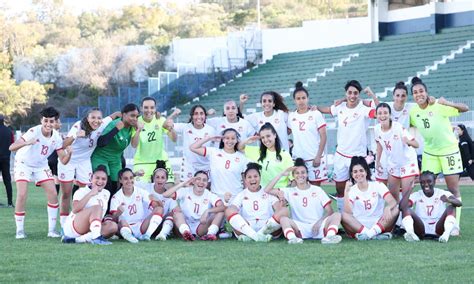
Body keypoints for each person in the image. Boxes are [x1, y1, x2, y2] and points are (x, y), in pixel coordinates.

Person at [409, 76, 469, 233]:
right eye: (415, 92)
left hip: (449, 151)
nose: (418, 94)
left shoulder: (437, 106)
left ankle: (454, 225)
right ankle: (423, 223)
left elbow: (465, 108)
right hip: (430, 153)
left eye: (421, 91)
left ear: (426, 92)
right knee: (425, 187)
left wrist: (446, 102)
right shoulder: (413, 112)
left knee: (452, 189)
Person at [10, 107, 72, 239]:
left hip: (41, 166)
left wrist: (70, 153)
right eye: (45, 121)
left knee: (53, 193)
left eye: (51, 121)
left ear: (55, 122)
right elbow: (12, 147)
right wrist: (27, 142)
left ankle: (51, 230)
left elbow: (63, 160)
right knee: (22, 194)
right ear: (41, 120)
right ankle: (19, 231)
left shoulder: (56, 136)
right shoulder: (33, 131)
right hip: (23, 164)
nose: (48, 124)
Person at [318, 80, 376, 212]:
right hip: (341, 155)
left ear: (359, 94)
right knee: (340, 187)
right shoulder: (340, 107)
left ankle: (361, 214)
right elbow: (327, 110)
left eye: (355, 93)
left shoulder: (363, 109)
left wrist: (371, 96)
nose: (352, 95)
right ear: (346, 93)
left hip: (357, 157)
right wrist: (314, 107)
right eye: (349, 93)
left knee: (360, 187)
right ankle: (342, 214)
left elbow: (378, 111)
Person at [58, 108, 120, 229]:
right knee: (66, 193)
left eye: (98, 118)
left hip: (84, 161)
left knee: (86, 191)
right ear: (87, 118)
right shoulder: (79, 126)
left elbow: (116, 114)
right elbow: (63, 145)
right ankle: (64, 224)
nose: (96, 121)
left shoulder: (102, 124)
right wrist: (76, 136)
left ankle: (82, 221)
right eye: (93, 118)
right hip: (69, 159)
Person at [265, 159, 343, 244]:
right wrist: (281, 174)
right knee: (283, 219)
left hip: (318, 226)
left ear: (307, 174)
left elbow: (330, 211)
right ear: (293, 176)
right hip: (300, 227)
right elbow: (267, 190)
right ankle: (293, 239)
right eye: (297, 173)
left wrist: (319, 222)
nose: (300, 175)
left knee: (337, 214)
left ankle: (329, 237)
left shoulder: (317, 190)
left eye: (303, 172)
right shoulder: (289, 191)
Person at [341, 156, 399, 241]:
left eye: (361, 171)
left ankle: (369, 234)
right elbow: (348, 212)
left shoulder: (377, 185)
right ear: (352, 174)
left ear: (366, 172)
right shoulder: (351, 189)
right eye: (355, 172)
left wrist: (388, 207)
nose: (358, 174)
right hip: (359, 225)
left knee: (396, 209)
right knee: (342, 215)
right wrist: (346, 192)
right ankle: (372, 235)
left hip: (379, 223)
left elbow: (392, 201)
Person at [91, 103, 141, 198]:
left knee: (117, 187)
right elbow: (101, 142)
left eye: (137, 116)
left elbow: (134, 145)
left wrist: (138, 130)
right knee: (106, 186)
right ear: (124, 115)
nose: (135, 119)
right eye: (132, 115)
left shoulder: (132, 127)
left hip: (115, 160)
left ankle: (113, 211)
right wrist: (116, 129)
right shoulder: (114, 124)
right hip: (101, 158)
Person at [225, 163, 284, 242]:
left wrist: (281, 201)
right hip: (247, 227)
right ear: (245, 180)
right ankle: (255, 236)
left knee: (283, 211)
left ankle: (257, 235)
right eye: (249, 177)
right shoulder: (242, 194)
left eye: (255, 176)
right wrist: (228, 203)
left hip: (267, 227)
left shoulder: (267, 192)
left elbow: (279, 210)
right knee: (229, 210)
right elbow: (232, 209)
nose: (253, 179)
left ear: (260, 178)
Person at [61, 166, 118, 245]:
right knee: (97, 207)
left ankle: (77, 240)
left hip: (92, 228)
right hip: (74, 227)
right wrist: (90, 194)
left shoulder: (106, 193)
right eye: (97, 178)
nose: (100, 181)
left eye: (103, 179)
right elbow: (75, 209)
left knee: (113, 226)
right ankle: (96, 237)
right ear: (91, 178)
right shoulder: (81, 191)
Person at [400, 171, 462, 243]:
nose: (426, 184)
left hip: (438, 228)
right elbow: (402, 207)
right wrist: (410, 188)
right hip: (421, 228)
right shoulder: (417, 194)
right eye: (423, 182)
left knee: (451, 207)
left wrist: (449, 200)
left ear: (434, 182)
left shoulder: (441, 192)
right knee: (406, 209)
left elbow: (459, 203)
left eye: (429, 181)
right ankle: (411, 233)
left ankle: (446, 234)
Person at [374, 103, 419, 202]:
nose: (382, 115)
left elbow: (416, 144)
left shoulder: (398, 127)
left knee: (405, 198)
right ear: (376, 115)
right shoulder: (376, 129)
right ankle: (398, 218)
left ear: (390, 115)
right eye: (380, 113)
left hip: (407, 163)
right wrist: (377, 161)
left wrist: (408, 141)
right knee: (394, 198)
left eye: (385, 113)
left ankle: (407, 217)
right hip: (393, 164)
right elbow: (379, 144)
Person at [163, 171, 225, 241]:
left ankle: (210, 234)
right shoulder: (185, 191)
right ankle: (186, 233)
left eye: (204, 180)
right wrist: (183, 184)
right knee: (176, 212)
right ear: (193, 181)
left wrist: (207, 211)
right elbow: (165, 195)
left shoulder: (209, 194)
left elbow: (222, 207)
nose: (201, 182)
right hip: (184, 224)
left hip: (201, 226)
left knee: (220, 212)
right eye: (198, 179)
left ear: (207, 183)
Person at [190, 128, 248, 203]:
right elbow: (193, 147)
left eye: (233, 138)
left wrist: (245, 197)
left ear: (237, 140)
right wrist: (209, 138)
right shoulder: (213, 152)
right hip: (216, 197)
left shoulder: (242, 157)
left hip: (236, 197)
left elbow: (245, 180)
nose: (230, 141)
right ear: (222, 139)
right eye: (227, 138)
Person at [288, 81, 328, 185]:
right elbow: (286, 132)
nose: (301, 101)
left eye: (303, 98)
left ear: (308, 98)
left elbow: (323, 136)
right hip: (298, 158)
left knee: (315, 190)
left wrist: (318, 156)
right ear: (294, 100)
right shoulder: (291, 116)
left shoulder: (316, 114)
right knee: (298, 189)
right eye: (298, 98)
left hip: (314, 158)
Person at [110, 168, 164, 243]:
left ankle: (147, 235)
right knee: (122, 220)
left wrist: (157, 200)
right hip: (126, 226)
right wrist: (118, 213)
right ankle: (129, 237)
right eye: (125, 179)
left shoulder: (141, 191)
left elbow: (158, 207)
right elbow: (113, 219)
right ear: (120, 180)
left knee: (159, 209)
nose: (129, 181)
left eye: (131, 178)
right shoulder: (116, 197)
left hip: (141, 225)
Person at [133, 97, 178, 188]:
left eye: (152, 107)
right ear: (141, 108)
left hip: (161, 161)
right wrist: (138, 130)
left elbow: (174, 139)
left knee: (168, 188)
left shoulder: (160, 120)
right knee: (140, 191)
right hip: (142, 163)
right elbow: (134, 145)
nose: (149, 110)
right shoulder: (136, 122)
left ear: (155, 108)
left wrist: (171, 128)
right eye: (146, 107)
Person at [239, 123, 293, 188]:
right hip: (263, 194)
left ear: (275, 135)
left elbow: (293, 179)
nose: (266, 140)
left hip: (279, 193)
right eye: (262, 137)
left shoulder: (285, 155)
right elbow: (239, 148)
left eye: (268, 136)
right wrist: (248, 140)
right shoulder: (258, 152)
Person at [173, 105, 216, 180]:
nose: (199, 116)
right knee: (186, 189)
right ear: (192, 116)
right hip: (189, 166)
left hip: (206, 166)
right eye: (196, 114)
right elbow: (166, 124)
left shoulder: (211, 130)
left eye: (201, 113)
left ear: (205, 116)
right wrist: (173, 114)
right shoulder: (185, 127)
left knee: (206, 189)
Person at [144, 160, 178, 240]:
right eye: (157, 177)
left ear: (166, 180)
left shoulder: (169, 194)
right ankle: (147, 235)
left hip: (160, 225)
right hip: (145, 223)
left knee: (172, 213)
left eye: (163, 178)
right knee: (157, 208)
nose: (160, 180)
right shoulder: (146, 188)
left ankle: (162, 235)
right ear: (153, 178)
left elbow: (175, 211)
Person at [0, 114, 14, 207]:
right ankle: (10, 202)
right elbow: (12, 145)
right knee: (7, 181)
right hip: (5, 158)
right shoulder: (9, 131)